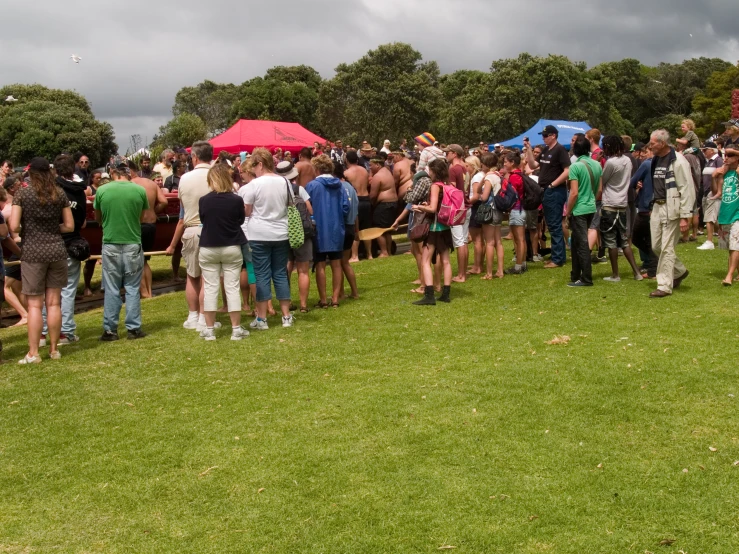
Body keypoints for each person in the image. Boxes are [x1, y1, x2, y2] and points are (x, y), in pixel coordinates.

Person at [10, 157, 74, 363]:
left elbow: (14, 226)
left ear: (31, 173)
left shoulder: (22, 193)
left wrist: (29, 229)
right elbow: (69, 226)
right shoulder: (59, 192)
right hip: (56, 249)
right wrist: (52, 229)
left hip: (33, 251)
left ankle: (33, 352)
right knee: (54, 303)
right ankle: (54, 350)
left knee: (35, 305)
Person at [94, 164, 149, 340]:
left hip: (111, 243)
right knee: (133, 287)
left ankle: (110, 330)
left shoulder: (102, 190)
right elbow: (140, 218)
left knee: (111, 287)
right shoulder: (139, 190)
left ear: (112, 173)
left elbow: (98, 218)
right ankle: (133, 328)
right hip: (133, 242)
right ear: (129, 173)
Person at [242, 148, 294, 330]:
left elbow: (247, 211)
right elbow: (289, 205)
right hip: (281, 232)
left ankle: (262, 319)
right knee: (280, 273)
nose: (253, 169)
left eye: (254, 165)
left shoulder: (253, 185)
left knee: (262, 275)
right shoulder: (284, 182)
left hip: (258, 234)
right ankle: (286, 316)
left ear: (261, 164)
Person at [39, 154, 88, 345]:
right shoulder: (80, 191)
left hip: (51, 243)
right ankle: (66, 331)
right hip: (72, 243)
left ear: (55, 170)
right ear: (73, 169)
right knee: (67, 291)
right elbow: (82, 221)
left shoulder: (51, 190)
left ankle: (44, 332)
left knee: (47, 291)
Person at [197, 163, 249, 340]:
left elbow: (203, 219)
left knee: (211, 288)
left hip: (208, 246)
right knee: (232, 287)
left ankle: (210, 329)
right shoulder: (236, 200)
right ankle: (236, 329)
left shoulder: (204, 200)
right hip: (231, 245)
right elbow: (241, 220)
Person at [165, 141, 214, 331]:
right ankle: (203, 317)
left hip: (191, 228)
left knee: (192, 276)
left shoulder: (184, 178)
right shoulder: (217, 174)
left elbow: (182, 213)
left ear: (194, 157)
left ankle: (193, 316)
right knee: (207, 278)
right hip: (212, 229)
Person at [647, 129, 694, 298]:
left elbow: (687, 189)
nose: (650, 146)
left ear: (662, 143)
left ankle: (664, 285)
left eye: (652, 143)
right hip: (658, 207)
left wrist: (684, 216)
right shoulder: (656, 160)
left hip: (672, 208)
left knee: (667, 248)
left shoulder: (679, 161)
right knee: (656, 246)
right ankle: (679, 271)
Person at [525, 125, 571, 268]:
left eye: (545, 135)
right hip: (546, 190)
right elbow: (533, 165)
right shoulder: (546, 150)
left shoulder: (560, 150)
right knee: (552, 225)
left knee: (555, 224)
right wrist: (528, 149)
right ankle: (557, 255)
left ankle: (558, 259)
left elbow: (568, 171)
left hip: (555, 191)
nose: (543, 138)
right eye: (543, 136)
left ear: (553, 136)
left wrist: (553, 184)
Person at [307, 155, 350, 308]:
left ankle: (324, 299)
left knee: (320, 265)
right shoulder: (340, 185)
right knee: (336, 264)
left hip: (319, 229)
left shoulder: (312, 186)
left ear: (317, 169)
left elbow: (307, 206)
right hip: (337, 228)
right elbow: (346, 207)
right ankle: (336, 298)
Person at [598, 136, 642, 282]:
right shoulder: (627, 160)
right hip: (622, 204)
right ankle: (637, 273)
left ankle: (615, 275)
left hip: (610, 204)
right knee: (623, 241)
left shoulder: (611, 162)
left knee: (611, 241)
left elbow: (603, 181)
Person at [413, 158, 453, 306]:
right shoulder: (447, 185)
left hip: (434, 228)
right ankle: (446, 294)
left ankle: (429, 295)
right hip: (446, 226)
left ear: (435, 171)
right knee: (446, 261)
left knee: (425, 261)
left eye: (430, 170)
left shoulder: (435, 186)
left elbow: (433, 209)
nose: (429, 173)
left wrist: (420, 207)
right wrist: (428, 204)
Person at [277, 161, 313, 313]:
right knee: (303, 270)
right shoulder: (299, 189)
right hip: (301, 234)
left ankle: (288, 302)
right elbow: (310, 211)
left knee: (286, 269)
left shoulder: (276, 190)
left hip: (283, 234)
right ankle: (304, 305)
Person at [566, 135, 601, 287]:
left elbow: (574, 193)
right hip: (591, 206)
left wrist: (568, 211)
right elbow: (599, 189)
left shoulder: (575, 166)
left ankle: (586, 278)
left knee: (581, 244)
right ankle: (575, 274)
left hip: (579, 208)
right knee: (576, 242)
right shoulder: (597, 164)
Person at [130, 160, 168, 299]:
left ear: (130, 171)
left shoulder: (130, 185)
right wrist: (154, 210)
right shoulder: (151, 183)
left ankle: (144, 293)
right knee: (144, 260)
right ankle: (149, 292)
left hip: (136, 225)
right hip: (151, 224)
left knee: (135, 261)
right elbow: (164, 201)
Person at [712, 146, 739, 285]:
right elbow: (716, 192)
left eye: (730, 155)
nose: (726, 157)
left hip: (737, 214)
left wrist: (736, 152)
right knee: (731, 247)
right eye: (725, 155)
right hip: (725, 213)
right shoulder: (725, 173)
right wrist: (714, 177)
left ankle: (729, 276)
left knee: (735, 246)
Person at [630, 143, 658, 279]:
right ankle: (653, 264)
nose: (642, 155)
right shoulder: (662, 164)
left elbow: (632, 181)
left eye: (645, 152)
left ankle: (654, 265)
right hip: (656, 205)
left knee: (636, 236)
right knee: (650, 239)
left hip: (645, 207)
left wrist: (636, 182)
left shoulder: (647, 164)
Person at [443, 144, 470, 283]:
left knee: (459, 242)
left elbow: (452, 189)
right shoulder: (466, 167)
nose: (446, 155)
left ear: (454, 154)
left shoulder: (453, 169)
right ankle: (463, 272)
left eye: (448, 153)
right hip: (467, 206)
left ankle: (461, 275)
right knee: (464, 241)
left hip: (457, 208)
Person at [479, 153, 504, 280]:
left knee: (489, 242)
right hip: (498, 210)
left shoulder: (489, 177)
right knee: (498, 241)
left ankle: (489, 273)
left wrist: (479, 193)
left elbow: (484, 196)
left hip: (489, 210)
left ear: (485, 164)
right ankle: (500, 270)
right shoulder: (498, 175)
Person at [336, 162, 359, 300]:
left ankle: (340, 293)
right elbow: (356, 212)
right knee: (345, 262)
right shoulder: (351, 187)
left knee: (337, 263)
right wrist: (357, 230)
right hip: (351, 227)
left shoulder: (337, 187)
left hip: (341, 227)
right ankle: (354, 292)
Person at [502, 152, 528, 275]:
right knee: (520, 239)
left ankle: (518, 266)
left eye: (506, 162)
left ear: (512, 163)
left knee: (519, 239)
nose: (504, 164)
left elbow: (511, 194)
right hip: (520, 209)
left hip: (516, 209)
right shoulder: (519, 174)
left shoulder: (513, 177)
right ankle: (522, 263)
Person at [345, 150, 372, 262]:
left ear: (346, 160)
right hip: (366, 199)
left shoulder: (347, 173)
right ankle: (369, 254)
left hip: (356, 201)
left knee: (356, 228)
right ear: (357, 159)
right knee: (367, 229)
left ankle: (355, 255)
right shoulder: (364, 170)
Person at [368, 156, 398, 258]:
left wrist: (371, 204)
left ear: (377, 165)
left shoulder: (378, 176)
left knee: (379, 229)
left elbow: (372, 195)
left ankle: (384, 252)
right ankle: (388, 251)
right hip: (393, 203)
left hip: (384, 205)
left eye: (371, 166)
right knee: (387, 230)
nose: (369, 168)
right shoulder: (387, 171)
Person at [698, 141, 723, 250]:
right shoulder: (708, 162)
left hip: (713, 192)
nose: (703, 152)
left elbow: (721, 176)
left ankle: (709, 241)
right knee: (713, 218)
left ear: (712, 150)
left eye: (705, 150)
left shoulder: (718, 161)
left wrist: (717, 191)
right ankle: (722, 237)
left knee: (709, 217)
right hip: (706, 191)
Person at [465, 156, 485, 275]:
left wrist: (465, 204)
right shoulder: (481, 175)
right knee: (480, 239)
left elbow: (476, 196)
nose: (465, 168)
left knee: (477, 240)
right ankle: (479, 264)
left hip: (475, 207)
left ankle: (477, 267)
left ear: (473, 165)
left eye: (467, 166)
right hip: (481, 207)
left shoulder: (476, 178)